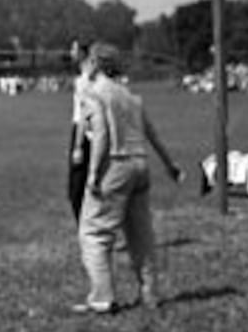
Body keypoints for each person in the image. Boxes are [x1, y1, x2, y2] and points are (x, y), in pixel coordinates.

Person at [73, 43, 183, 314]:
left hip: (115, 166)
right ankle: (150, 293)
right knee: (140, 236)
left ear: (95, 65)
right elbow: (152, 134)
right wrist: (170, 165)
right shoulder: (132, 97)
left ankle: (102, 299)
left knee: (94, 234)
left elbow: (101, 135)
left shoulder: (94, 93)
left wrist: (93, 174)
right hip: (140, 165)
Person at [66, 41, 96, 222]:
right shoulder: (87, 77)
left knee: (76, 190)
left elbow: (84, 115)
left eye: (73, 48)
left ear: (83, 53)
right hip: (86, 132)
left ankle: (88, 230)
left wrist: (77, 146)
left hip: (84, 133)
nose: (70, 52)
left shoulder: (85, 80)